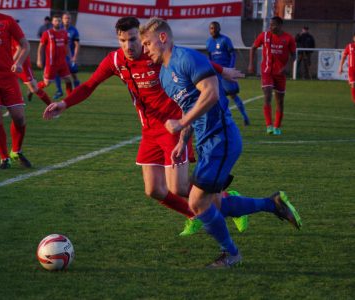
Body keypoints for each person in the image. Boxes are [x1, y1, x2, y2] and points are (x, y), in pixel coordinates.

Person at [43, 17, 247, 237]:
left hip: (173, 126)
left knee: (177, 188)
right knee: (154, 189)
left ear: (141, 38)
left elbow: (186, 57)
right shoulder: (115, 61)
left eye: (132, 39)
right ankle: (193, 215)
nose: (128, 46)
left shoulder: (154, 54)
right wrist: (65, 103)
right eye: (122, 40)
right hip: (149, 131)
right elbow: (90, 85)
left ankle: (228, 200)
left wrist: (221, 70)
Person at [140, 17, 301, 268]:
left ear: (163, 38)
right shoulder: (164, 76)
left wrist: (181, 124)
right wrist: (183, 140)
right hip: (205, 142)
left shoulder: (188, 59)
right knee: (215, 203)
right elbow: (189, 107)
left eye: (147, 43)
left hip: (221, 137)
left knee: (196, 202)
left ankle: (231, 254)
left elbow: (212, 93)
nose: (145, 50)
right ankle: (273, 204)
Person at [248, 16, 296, 135]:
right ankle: (269, 125)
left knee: (279, 101)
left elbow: (294, 55)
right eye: (270, 25)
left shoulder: (288, 38)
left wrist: (287, 68)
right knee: (267, 96)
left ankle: (277, 127)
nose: (270, 27)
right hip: (267, 71)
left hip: (280, 74)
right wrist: (251, 64)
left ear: (280, 26)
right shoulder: (264, 36)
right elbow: (253, 48)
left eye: (273, 25)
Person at [0, 13, 32, 169]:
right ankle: (5, 158)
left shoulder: (7, 20)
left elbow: (25, 45)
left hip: (8, 76)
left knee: (19, 117)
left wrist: (18, 62)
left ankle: (16, 151)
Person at [206, 21, 250, 126]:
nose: (213, 30)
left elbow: (233, 54)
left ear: (219, 29)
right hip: (216, 73)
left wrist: (230, 69)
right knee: (218, 97)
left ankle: (245, 117)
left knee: (233, 95)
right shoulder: (208, 42)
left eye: (215, 28)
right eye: (211, 28)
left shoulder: (225, 40)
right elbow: (210, 58)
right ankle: (223, 119)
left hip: (226, 72)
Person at [37, 15, 73, 97]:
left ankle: (70, 98)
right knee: (47, 83)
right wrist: (39, 59)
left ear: (61, 22)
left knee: (68, 79)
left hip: (62, 62)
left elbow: (66, 46)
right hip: (51, 63)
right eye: (56, 21)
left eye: (59, 21)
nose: (58, 22)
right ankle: (33, 88)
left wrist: (70, 57)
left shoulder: (64, 33)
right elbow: (41, 47)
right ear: (52, 22)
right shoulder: (47, 33)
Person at [11, 38, 52, 106]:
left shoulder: (12, 34)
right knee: (10, 87)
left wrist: (10, 62)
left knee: (34, 88)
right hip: (10, 65)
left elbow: (19, 49)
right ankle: (13, 108)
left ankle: (52, 106)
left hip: (22, 64)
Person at [53, 12, 80, 100]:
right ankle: (59, 90)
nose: (67, 20)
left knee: (73, 74)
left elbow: (77, 44)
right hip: (60, 56)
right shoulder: (58, 29)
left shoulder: (74, 30)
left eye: (68, 18)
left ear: (70, 20)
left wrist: (75, 57)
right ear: (62, 19)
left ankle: (77, 92)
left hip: (70, 56)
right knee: (56, 72)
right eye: (65, 18)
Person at [338, 33, 355, 105]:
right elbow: (343, 57)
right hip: (352, 69)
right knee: (353, 84)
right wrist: (340, 67)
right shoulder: (349, 46)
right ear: (353, 38)